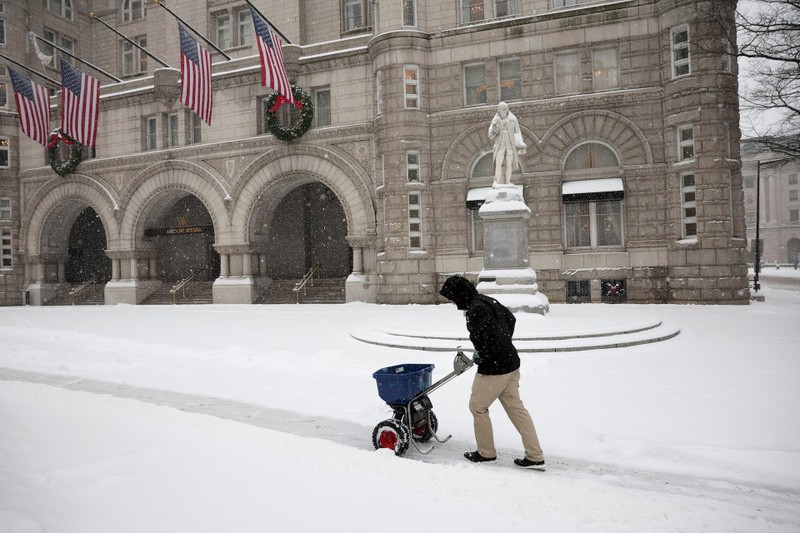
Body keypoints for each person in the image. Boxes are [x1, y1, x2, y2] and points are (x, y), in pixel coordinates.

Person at [439, 275, 545, 470]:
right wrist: (504, 345)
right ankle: (535, 455)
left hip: (495, 369)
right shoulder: (487, 300)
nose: (452, 301)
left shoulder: (476, 309)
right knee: (516, 409)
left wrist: (483, 354)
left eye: (452, 297)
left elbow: (491, 339)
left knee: (477, 407)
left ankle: (486, 452)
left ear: (459, 294)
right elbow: (510, 320)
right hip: (510, 363)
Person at [488, 102, 527, 186]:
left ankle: (508, 182)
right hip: (500, 146)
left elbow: (517, 132)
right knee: (498, 164)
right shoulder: (495, 120)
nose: (504, 111)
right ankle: (498, 182)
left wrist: (520, 143)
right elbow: (490, 136)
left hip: (510, 146)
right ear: (498, 110)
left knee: (509, 164)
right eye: (502, 109)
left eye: (505, 109)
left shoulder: (513, 119)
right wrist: (494, 129)